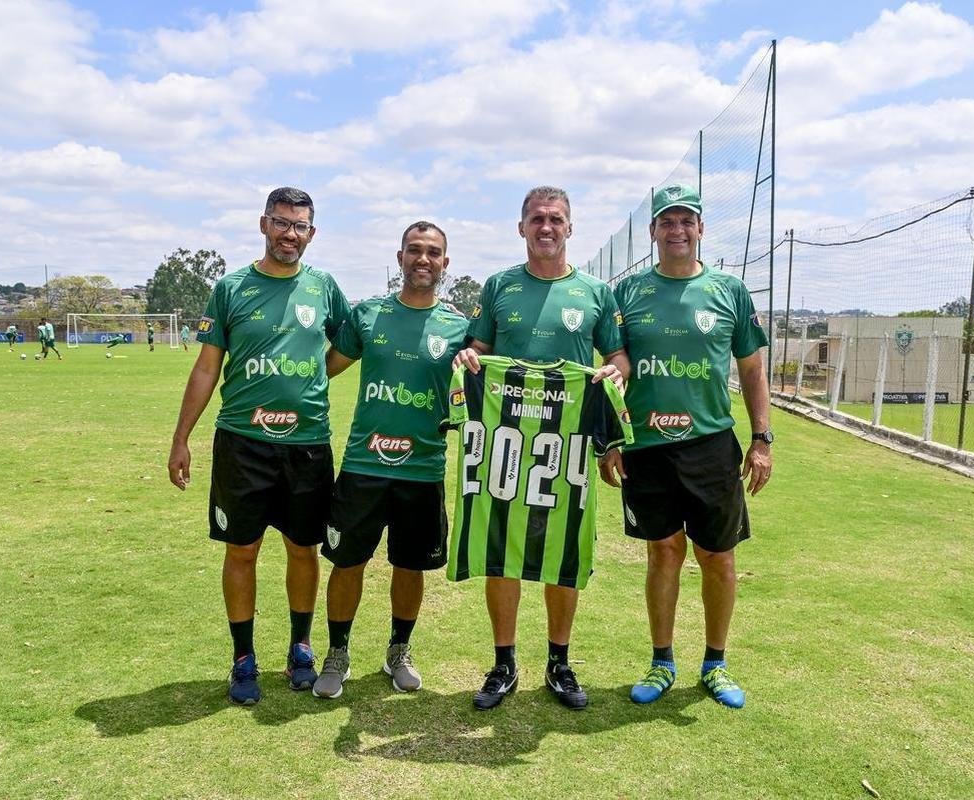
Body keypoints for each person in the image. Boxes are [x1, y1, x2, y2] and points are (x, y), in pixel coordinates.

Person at [167, 187, 351, 706]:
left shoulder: (324, 288)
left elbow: (347, 347)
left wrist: (316, 374)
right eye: (281, 223)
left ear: (311, 234)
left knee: (302, 549)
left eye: (300, 226)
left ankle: (300, 647)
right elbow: (207, 367)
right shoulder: (230, 289)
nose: (290, 233)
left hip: (307, 443)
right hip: (242, 443)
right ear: (263, 224)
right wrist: (181, 437)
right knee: (241, 550)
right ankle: (243, 658)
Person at [452, 186, 629, 711]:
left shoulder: (596, 292)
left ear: (570, 228)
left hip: (568, 445)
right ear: (521, 227)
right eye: (536, 219)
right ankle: (504, 663)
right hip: (507, 445)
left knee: (563, 551)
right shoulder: (500, 286)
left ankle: (559, 662)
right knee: (502, 551)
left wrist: (609, 375)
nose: (546, 227)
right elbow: (478, 349)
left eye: (555, 219)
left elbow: (620, 358)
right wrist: (469, 357)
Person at [601, 184, 772, 709]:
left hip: (711, 445)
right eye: (667, 222)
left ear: (700, 229)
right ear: (653, 231)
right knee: (664, 553)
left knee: (717, 557)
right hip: (647, 447)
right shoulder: (626, 294)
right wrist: (611, 438)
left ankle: (715, 663)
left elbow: (751, 369)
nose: (677, 230)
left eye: (686, 221)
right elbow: (615, 367)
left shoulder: (729, 290)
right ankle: (662, 660)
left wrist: (761, 438)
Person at [312, 221, 468, 700]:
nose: (423, 259)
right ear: (399, 257)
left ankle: (398, 650)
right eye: (414, 250)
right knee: (348, 562)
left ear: (446, 263)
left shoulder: (460, 328)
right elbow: (322, 368)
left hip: (422, 470)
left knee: (410, 566)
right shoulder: (368, 316)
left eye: (433, 252)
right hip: (364, 465)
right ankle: (336, 654)